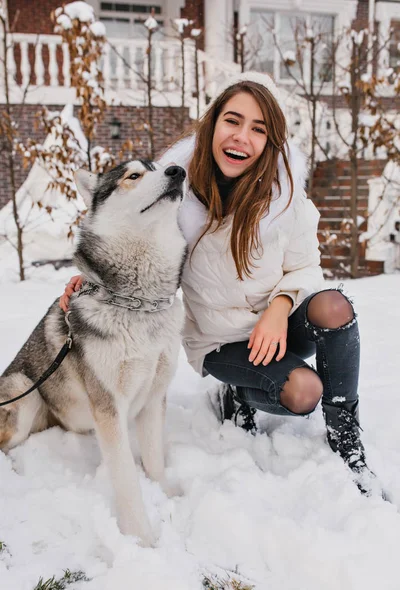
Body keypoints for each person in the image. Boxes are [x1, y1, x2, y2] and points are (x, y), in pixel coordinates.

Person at [60, 71, 377, 496]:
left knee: (334, 306)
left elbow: (307, 269)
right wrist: (94, 279)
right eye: (233, 120)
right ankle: (238, 397)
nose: (242, 137)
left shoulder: (286, 199)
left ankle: (345, 433)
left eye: (258, 129)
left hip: (277, 328)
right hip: (220, 341)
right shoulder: (174, 194)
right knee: (303, 392)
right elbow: (132, 244)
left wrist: (281, 307)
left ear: (270, 142)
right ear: (213, 125)